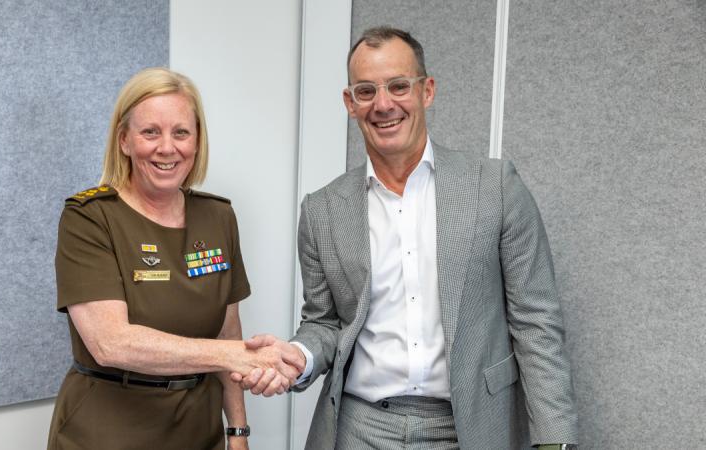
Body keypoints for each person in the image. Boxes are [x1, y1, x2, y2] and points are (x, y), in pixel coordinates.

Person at [234, 27, 579, 449]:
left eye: (399, 86)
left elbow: (536, 322)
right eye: (366, 91)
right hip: (361, 427)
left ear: (426, 91)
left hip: (468, 427)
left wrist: (555, 440)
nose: (383, 105)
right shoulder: (322, 210)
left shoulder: (495, 188)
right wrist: (298, 358)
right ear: (350, 103)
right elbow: (323, 322)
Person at [47, 67, 299, 450]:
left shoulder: (218, 217)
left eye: (181, 132)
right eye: (151, 132)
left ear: (197, 141)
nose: (168, 147)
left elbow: (226, 331)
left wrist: (238, 432)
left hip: (200, 430)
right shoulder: (90, 217)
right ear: (124, 141)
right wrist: (239, 357)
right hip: (107, 431)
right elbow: (111, 343)